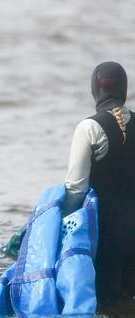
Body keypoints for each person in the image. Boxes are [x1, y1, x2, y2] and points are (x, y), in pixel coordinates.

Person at [61, 61, 135, 304]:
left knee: (106, 304)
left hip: (105, 238)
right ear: (124, 89)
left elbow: (75, 188)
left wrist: (64, 228)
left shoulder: (89, 127)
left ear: (95, 89)